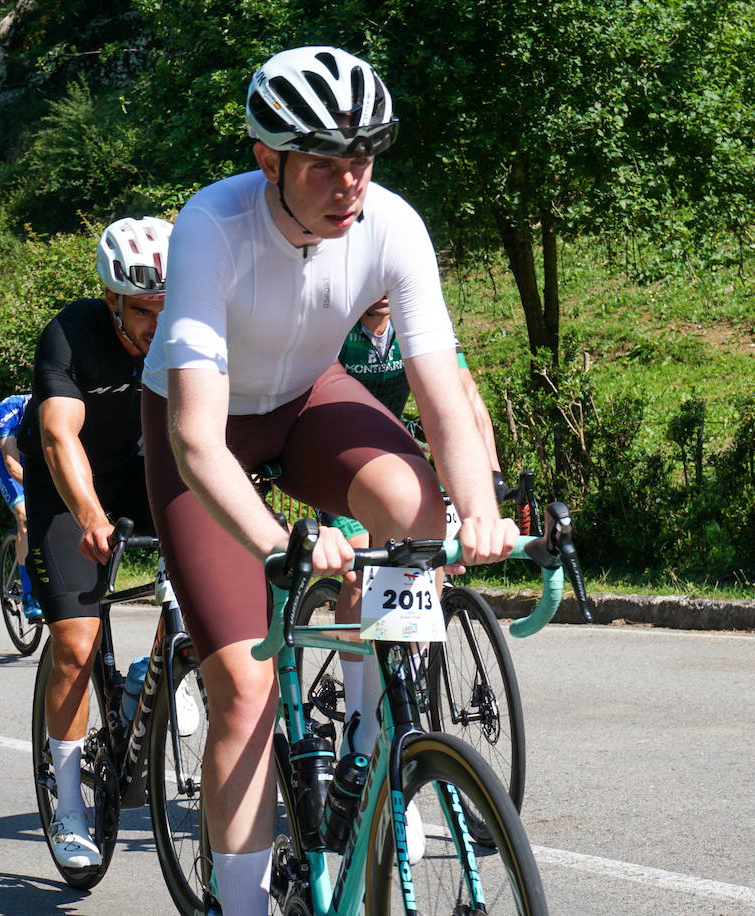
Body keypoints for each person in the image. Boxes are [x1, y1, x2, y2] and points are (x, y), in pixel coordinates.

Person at [140, 46, 518, 915]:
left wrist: (483, 508)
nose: (350, 183)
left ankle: (375, 747)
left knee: (412, 505)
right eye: (324, 164)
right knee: (244, 688)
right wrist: (281, 543)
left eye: (363, 159)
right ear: (268, 160)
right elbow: (196, 439)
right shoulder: (213, 224)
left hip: (311, 396)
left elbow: (441, 391)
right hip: (209, 429)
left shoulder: (393, 224)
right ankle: (240, 903)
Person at [14, 216, 171, 870]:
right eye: (142, 311)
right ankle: (68, 798)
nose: (157, 325)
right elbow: (58, 435)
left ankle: (156, 676)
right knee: (77, 647)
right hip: (67, 484)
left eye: (167, 307)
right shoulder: (71, 335)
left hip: (148, 475)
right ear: (111, 299)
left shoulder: (188, 328)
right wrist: (89, 514)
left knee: (209, 601)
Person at [328, 295, 510, 753]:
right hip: (334, 455)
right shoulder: (335, 317)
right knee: (358, 575)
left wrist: (491, 479)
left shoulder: (418, 311)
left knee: (424, 559)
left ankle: (402, 684)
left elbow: (465, 397)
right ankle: (356, 724)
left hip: (394, 449)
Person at [0, 392, 41, 620]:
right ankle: (30, 593)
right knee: (24, 518)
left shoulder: (61, 403)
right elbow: (11, 464)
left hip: (39, 463)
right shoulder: (9, 408)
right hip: (9, 467)